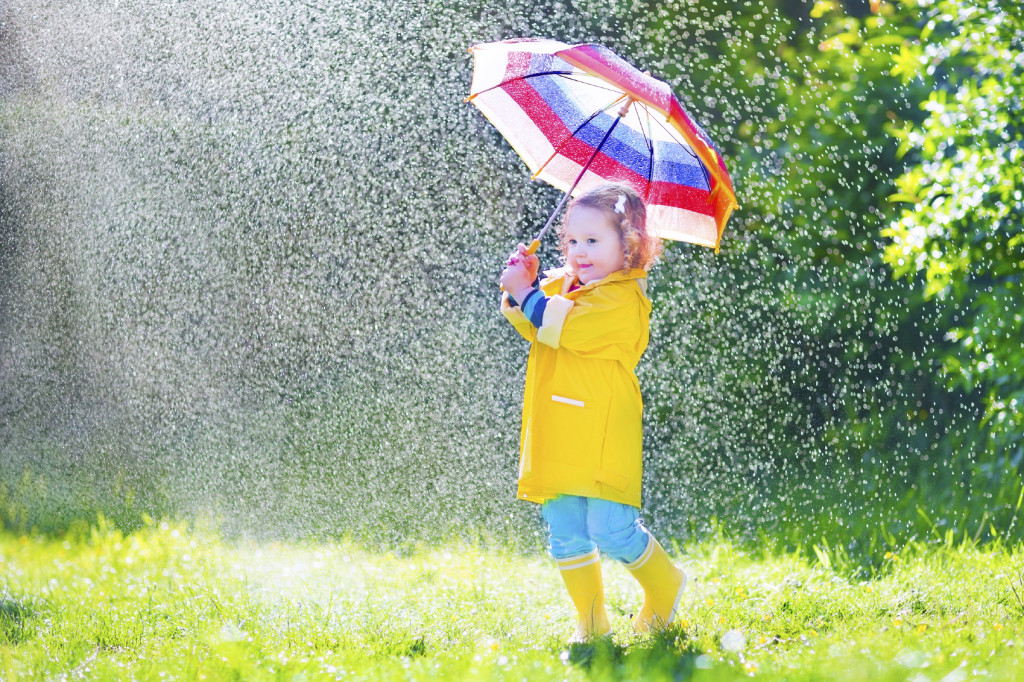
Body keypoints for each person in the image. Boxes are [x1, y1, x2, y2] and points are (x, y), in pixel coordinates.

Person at [498, 182, 685, 642]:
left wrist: (529, 294)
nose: (579, 252)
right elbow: (527, 319)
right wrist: (522, 282)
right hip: (558, 424)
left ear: (631, 246)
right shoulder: (567, 283)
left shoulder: (624, 298)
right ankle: (591, 620)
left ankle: (665, 586)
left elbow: (562, 326)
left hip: (603, 426)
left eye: (594, 241)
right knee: (563, 528)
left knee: (610, 527)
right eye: (572, 241)